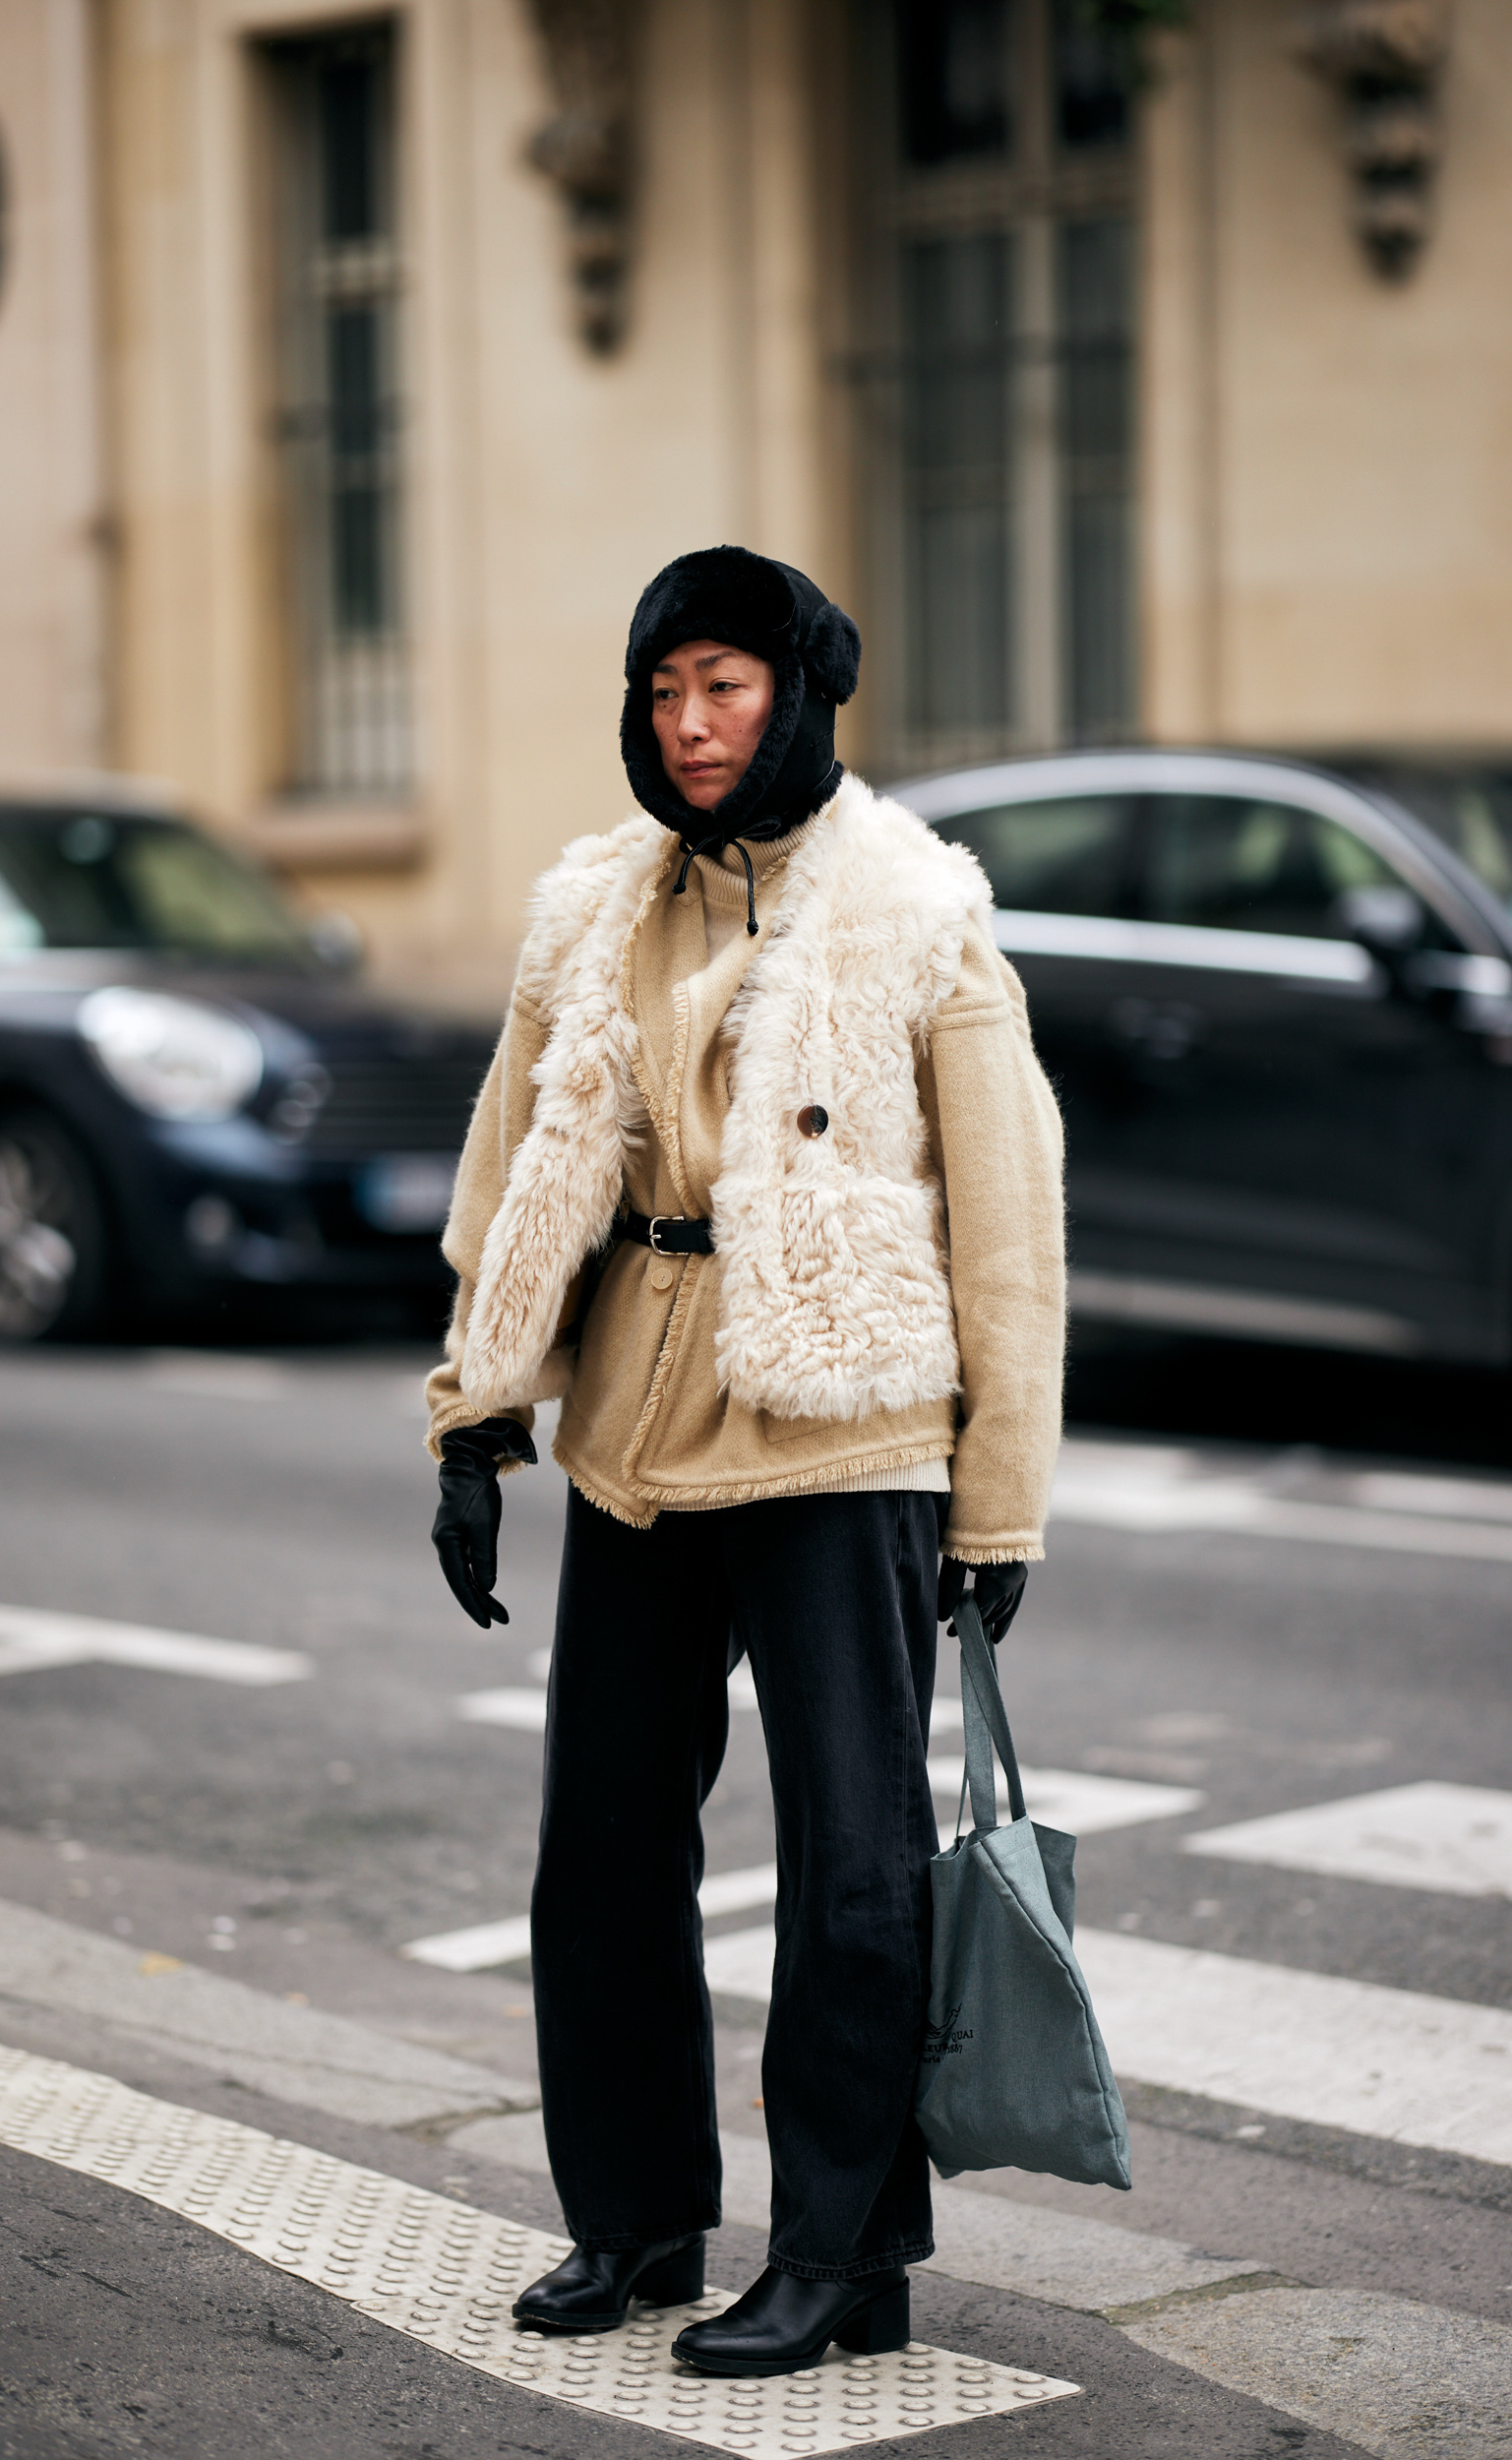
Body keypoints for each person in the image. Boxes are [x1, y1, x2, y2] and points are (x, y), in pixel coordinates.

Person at [426, 544, 1065, 2379]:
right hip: (637, 1418)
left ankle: (845, 2256)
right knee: (603, 1843)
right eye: (664, 692)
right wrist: (479, 1416)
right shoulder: (597, 907)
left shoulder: (918, 908)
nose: (691, 726)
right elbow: (514, 1170)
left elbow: (1009, 1229)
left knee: (849, 1862)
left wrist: (997, 1494)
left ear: (800, 695)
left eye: (725, 687)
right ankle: (633, 2219)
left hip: (844, 1418)